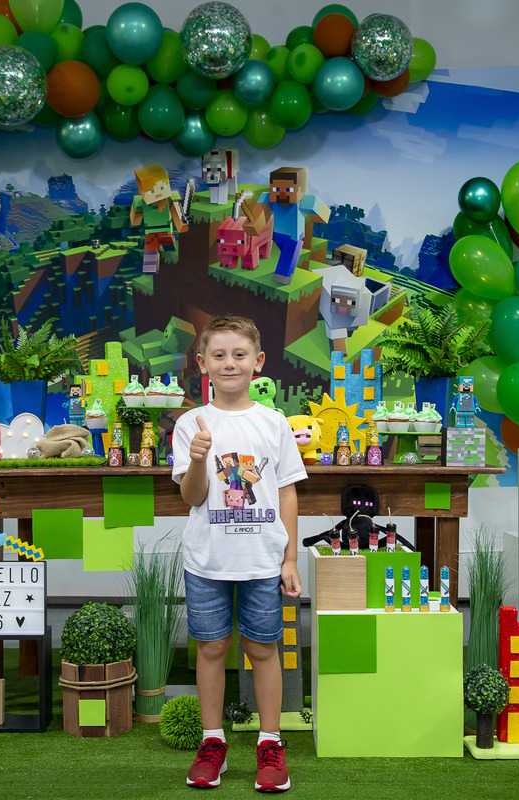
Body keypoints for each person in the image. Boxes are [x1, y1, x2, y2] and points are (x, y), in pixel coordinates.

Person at [171, 315, 305, 793]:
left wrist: (289, 559)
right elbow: (191, 497)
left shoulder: (274, 423)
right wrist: (197, 459)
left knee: (262, 648)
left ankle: (270, 743)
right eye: (219, 355)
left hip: (262, 559)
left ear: (258, 362)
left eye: (239, 354)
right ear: (202, 363)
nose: (229, 363)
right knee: (211, 648)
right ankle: (213, 742)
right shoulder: (190, 424)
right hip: (207, 560)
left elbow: (287, 493)